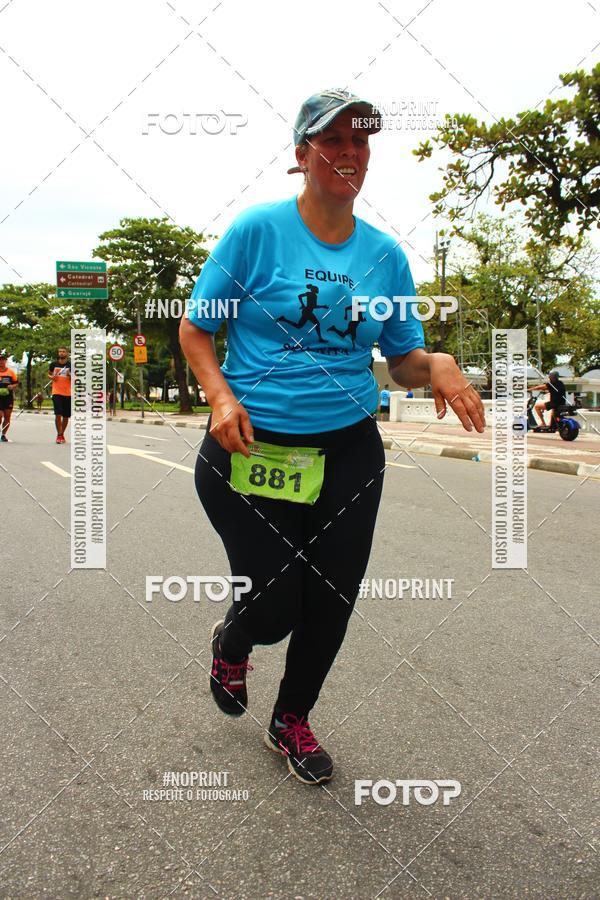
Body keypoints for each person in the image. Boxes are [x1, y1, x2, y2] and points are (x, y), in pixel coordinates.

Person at [180, 88, 485, 785]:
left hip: (348, 451)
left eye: (361, 142)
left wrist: (436, 363)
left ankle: (291, 721)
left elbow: (403, 361)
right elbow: (196, 328)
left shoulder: (385, 257)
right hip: (250, 447)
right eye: (333, 141)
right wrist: (220, 396)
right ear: (302, 156)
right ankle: (234, 637)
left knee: (332, 598)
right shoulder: (257, 232)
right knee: (278, 601)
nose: (350, 153)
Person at [48, 347, 71, 443]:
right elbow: (49, 374)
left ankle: (62, 433)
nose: (61, 353)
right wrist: (52, 377)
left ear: (67, 353)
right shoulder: (53, 364)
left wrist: (70, 375)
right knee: (58, 414)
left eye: (63, 352)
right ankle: (59, 435)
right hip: (56, 392)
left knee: (66, 416)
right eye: (60, 351)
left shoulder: (71, 365)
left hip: (68, 393)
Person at [0, 353, 19, 441]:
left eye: (3, 360)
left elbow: (16, 383)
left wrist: (12, 386)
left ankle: (3, 435)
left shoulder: (11, 372)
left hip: (8, 397)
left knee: (7, 417)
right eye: (0, 360)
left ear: (5, 361)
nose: (1, 362)